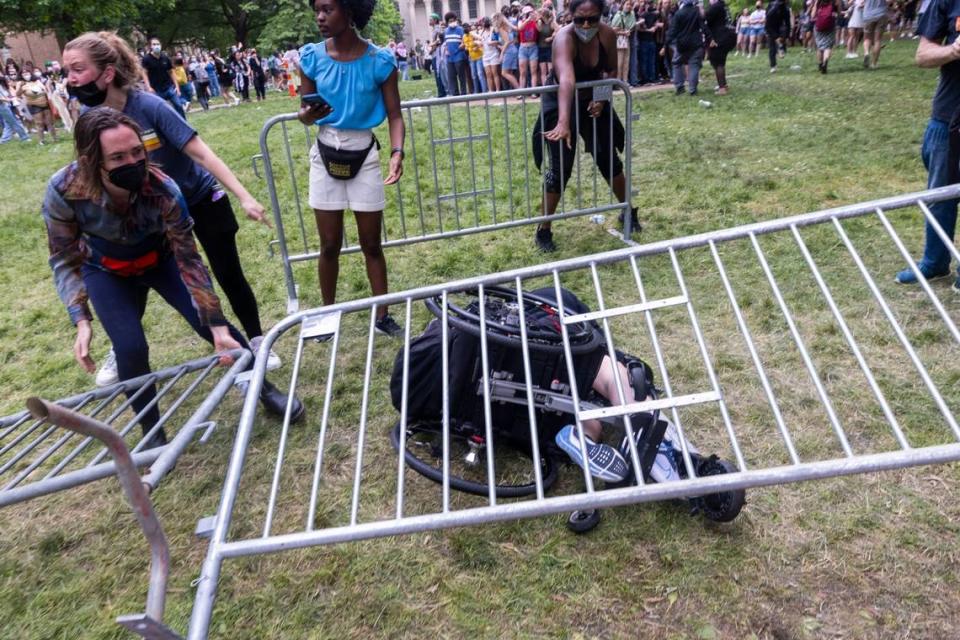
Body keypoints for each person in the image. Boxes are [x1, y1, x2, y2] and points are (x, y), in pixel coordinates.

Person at [42, 109, 303, 449]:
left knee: (211, 323)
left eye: (138, 152)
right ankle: (151, 432)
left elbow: (189, 259)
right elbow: (63, 256)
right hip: (105, 270)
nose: (133, 162)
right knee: (129, 347)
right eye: (118, 157)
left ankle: (262, 388)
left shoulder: (164, 188)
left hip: (160, 259)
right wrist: (80, 318)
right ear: (91, 160)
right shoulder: (63, 189)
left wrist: (216, 324)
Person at [62, 31, 282, 385]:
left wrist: (244, 195)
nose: (70, 79)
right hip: (150, 212)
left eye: (76, 69)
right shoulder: (91, 116)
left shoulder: (150, 107)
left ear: (106, 73)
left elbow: (201, 152)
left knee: (227, 273)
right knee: (134, 279)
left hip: (199, 199)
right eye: (66, 71)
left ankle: (257, 340)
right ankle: (123, 350)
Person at [298, 0, 406, 336]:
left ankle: (382, 316)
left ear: (350, 12)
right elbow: (304, 109)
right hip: (326, 150)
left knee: (371, 243)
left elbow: (395, 115)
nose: (320, 16)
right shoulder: (311, 58)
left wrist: (397, 151)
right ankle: (327, 317)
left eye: (328, 9)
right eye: (317, 9)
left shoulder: (380, 62)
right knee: (329, 244)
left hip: (364, 154)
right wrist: (306, 115)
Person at [534, 0, 639, 252]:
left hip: (593, 99)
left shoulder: (607, 34)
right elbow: (567, 80)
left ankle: (628, 211)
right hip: (560, 101)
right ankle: (543, 229)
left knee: (608, 158)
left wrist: (601, 99)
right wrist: (563, 122)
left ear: (601, 16)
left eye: (592, 18)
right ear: (570, 16)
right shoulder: (563, 38)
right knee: (560, 167)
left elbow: (610, 70)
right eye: (580, 18)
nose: (586, 24)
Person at [894, 0, 960, 290]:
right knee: (939, 195)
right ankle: (935, 263)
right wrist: (954, 50)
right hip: (948, 116)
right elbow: (923, 55)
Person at [666, 0, 705, 96]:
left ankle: (679, 87)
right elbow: (703, 25)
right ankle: (693, 89)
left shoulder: (678, 14)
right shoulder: (696, 12)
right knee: (694, 65)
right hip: (696, 43)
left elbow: (673, 30)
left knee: (677, 63)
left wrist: (667, 42)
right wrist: (709, 37)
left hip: (682, 44)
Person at [140, 37, 185, 118]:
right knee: (162, 112)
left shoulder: (165, 58)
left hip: (169, 88)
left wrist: (177, 87)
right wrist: (148, 87)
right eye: (154, 44)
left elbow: (171, 72)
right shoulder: (146, 59)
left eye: (158, 44)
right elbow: (144, 73)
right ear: (150, 46)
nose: (156, 46)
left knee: (179, 105)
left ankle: (185, 125)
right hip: (156, 90)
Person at [704, 0, 736, 94]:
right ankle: (724, 85)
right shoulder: (723, 6)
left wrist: (702, 12)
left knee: (718, 63)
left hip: (721, 37)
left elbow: (706, 18)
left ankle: (722, 88)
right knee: (719, 61)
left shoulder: (716, 6)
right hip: (729, 35)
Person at [18, 70, 58, 144]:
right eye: (24, 74)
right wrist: (20, 87)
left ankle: (55, 138)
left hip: (45, 103)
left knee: (50, 122)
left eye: (27, 73)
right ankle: (41, 141)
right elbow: (17, 94)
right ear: (21, 75)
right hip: (34, 105)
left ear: (30, 73)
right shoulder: (22, 84)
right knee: (39, 123)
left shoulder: (37, 81)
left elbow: (45, 90)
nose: (26, 75)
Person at [444, 11, 471, 95]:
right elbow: (446, 43)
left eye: (453, 20)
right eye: (450, 21)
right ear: (447, 22)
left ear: (456, 20)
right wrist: (446, 50)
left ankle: (463, 93)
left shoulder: (460, 29)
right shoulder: (446, 31)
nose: (452, 23)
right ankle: (455, 94)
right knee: (451, 76)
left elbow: (465, 40)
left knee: (461, 76)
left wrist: (462, 45)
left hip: (459, 55)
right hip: (449, 58)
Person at [811, 0, 840, 73]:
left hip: (819, 26)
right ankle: (825, 61)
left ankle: (820, 64)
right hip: (830, 26)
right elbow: (838, 13)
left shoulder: (818, 2)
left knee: (819, 46)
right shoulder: (834, 2)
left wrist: (815, 5)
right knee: (828, 46)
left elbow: (812, 15)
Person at [0, 76, 31, 143]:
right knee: (14, 122)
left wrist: (12, 98)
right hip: (2, 106)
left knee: (8, 123)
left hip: (6, 105)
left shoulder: (3, 86)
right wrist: (8, 99)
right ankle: (24, 137)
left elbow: (10, 94)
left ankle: (4, 140)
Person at [518, 4, 541, 89]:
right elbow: (519, 28)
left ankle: (534, 92)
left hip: (533, 47)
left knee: (533, 71)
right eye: (528, 13)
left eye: (530, 13)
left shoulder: (536, 21)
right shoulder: (521, 21)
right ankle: (521, 92)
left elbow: (539, 29)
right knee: (522, 72)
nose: (529, 15)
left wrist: (535, 19)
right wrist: (527, 20)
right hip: (523, 48)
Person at [611, 0, 635, 82]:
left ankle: (625, 81)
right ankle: (618, 81)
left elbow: (632, 27)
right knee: (619, 62)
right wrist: (623, 32)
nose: (629, 6)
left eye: (630, 5)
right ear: (623, 5)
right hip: (619, 41)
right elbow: (613, 29)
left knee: (626, 62)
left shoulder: (631, 15)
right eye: (627, 4)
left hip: (626, 40)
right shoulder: (618, 16)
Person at [861, 0, 889, 68]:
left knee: (867, 38)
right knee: (878, 40)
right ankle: (874, 63)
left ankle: (866, 53)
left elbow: (861, 2)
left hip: (868, 15)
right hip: (881, 14)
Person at [765, 0, 789, 72]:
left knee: (783, 33)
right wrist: (776, 37)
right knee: (772, 47)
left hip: (779, 27)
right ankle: (773, 66)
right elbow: (767, 24)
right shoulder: (772, 7)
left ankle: (781, 48)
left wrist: (786, 36)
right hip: (770, 27)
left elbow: (787, 23)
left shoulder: (785, 9)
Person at [482, 16, 504, 92]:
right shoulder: (482, 32)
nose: (484, 23)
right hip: (485, 55)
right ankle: (491, 90)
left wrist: (492, 43)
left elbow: (498, 41)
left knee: (494, 73)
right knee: (488, 74)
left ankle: (497, 90)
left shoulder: (493, 30)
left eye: (485, 22)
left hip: (493, 53)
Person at [538, 7, 559, 82]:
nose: (538, 15)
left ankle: (550, 86)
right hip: (541, 48)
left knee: (550, 70)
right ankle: (544, 88)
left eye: (540, 13)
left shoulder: (551, 23)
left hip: (549, 48)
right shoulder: (540, 22)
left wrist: (551, 37)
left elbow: (558, 30)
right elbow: (538, 29)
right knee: (543, 71)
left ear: (543, 15)